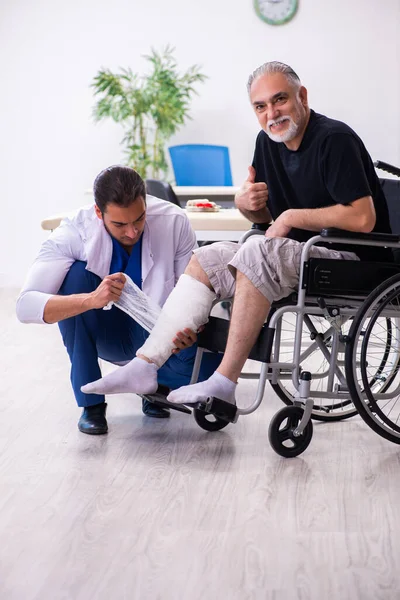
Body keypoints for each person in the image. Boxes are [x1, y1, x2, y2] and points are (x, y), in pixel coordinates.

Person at [81, 61, 392, 407]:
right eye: (260, 106)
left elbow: (363, 218)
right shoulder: (268, 141)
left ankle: (223, 382)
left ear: (302, 96)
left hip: (354, 260)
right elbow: (267, 219)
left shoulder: (335, 139)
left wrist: (290, 216)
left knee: (258, 251)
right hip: (300, 255)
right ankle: (146, 363)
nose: (272, 113)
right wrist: (247, 204)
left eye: (280, 100)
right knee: (208, 256)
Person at [16, 166, 222, 434]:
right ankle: (92, 405)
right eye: (120, 224)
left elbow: (191, 289)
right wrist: (90, 299)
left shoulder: (174, 221)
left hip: (158, 334)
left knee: (210, 374)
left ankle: (153, 389)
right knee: (75, 276)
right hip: (107, 333)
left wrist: (191, 326)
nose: (132, 232)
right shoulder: (74, 231)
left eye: (138, 219)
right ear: (99, 213)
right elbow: (25, 306)